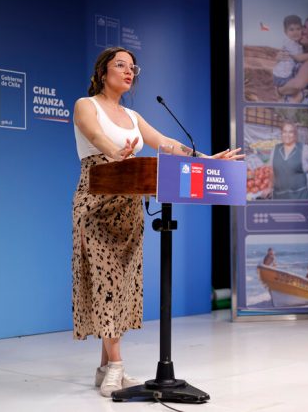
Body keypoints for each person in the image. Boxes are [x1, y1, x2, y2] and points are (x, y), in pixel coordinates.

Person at [71, 47, 243, 398]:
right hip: (96, 202)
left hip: (130, 205)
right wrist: (115, 152)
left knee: (122, 284)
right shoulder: (85, 105)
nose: (128, 71)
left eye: (133, 66)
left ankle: (106, 367)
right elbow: (96, 137)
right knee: (105, 279)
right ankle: (116, 366)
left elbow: (166, 143)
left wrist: (206, 158)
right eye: (120, 65)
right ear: (103, 72)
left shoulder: (133, 116)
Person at [265, 121, 308, 200]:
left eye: (290, 132)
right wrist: (269, 187)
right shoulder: (275, 149)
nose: (287, 135)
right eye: (284, 132)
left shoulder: (305, 149)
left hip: (301, 196)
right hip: (279, 196)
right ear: (281, 133)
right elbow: (272, 171)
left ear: (295, 134)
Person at [275, 16, 308, 104]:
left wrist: (279, 91)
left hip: (307, 112)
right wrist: (278, 59)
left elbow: (296, 85)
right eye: (304, 27)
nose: (304, 32)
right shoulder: (300, 50)